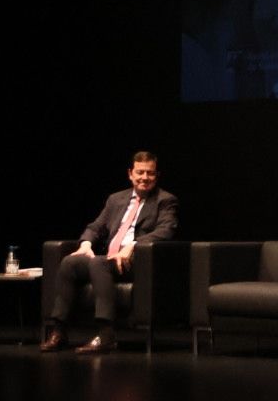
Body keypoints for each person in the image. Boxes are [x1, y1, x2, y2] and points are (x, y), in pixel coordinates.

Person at [41, 152, 179, 355]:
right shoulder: (116, 199)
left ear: (156, 176)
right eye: (140, 172)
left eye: (150, 173)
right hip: (109, 261)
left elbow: (166, 230)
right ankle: (59, 331)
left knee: (98, 263)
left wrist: (133, 245)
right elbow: (96, 227)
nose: (144, 177)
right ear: (130, 174)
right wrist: (86, 243)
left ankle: (106, 334)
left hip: (138, 262)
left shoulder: (165, 200)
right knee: (70, 262)